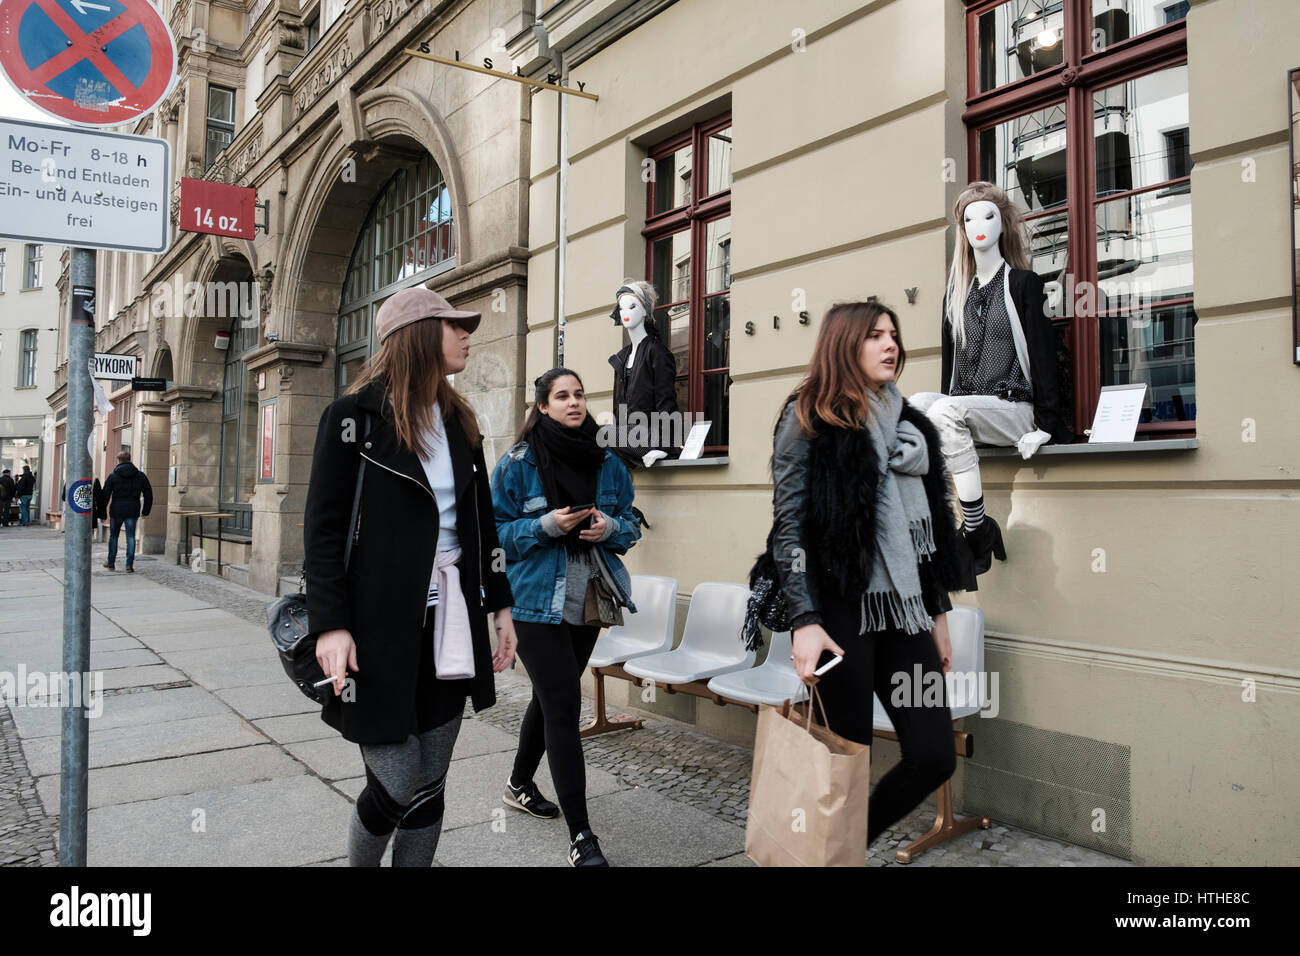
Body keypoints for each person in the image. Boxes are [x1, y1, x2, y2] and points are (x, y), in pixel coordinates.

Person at [303, 286, 517, 868]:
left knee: (432, 781)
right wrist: (331, 625)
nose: (467, 335)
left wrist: (501, 609)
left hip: (451, 622)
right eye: (455, 326)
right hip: (376, 631)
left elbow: (482, 525)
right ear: (419, 335)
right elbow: (322, 532)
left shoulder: (460, 422)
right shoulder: (352, 419)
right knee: (396, 781)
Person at [764, 300, 970, 848]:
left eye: (893, 334)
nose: (890, 344)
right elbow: (789, 529)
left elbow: (928, 540)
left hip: (905, 612)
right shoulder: (808, 417)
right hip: (838, 611)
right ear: (843, 344)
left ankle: (848, 847)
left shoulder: (913, 429)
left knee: (933, 756)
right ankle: (830, 859)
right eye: (875, 335)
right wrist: (804, 621)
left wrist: (938, 616)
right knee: (843, 763)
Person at [490, 367, 642, 866]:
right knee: (563, 703)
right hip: (535, 599)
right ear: (542, 406)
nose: (574, 402)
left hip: (589, 597)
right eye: (562, 396)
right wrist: (543, 525)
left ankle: (518, 783)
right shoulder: (517, 464)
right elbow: (491, 537)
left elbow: (631, 526)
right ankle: (582, 838)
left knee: (549, 694)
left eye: (579, 394)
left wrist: (611, 528)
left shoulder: (607, 461)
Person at [908, 181, 1070, 582]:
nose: (979, 225)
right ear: (962, 230)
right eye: (969, 219)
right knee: (912, 406)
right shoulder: (955, 297)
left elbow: (1045, 359)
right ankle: (924, 521)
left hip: (1017, 408)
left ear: (1003, 223)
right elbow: (950, 377)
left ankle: (976, 527)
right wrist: (947, 427)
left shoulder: (1022, 285)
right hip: (970, 408)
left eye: (988, 216)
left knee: (946, 409)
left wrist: (1047, 426)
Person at [102, 452, 152, 572]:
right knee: (130, 537)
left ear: (118, 460)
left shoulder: (113, 475)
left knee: (114, 536)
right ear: (130, 459)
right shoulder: (140, 475)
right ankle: (129, 565)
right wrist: (146, 511)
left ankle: (111, 562)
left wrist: (102, 514)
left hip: (117, 509)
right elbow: (148, 494)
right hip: (132, 509)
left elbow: (105, 495)